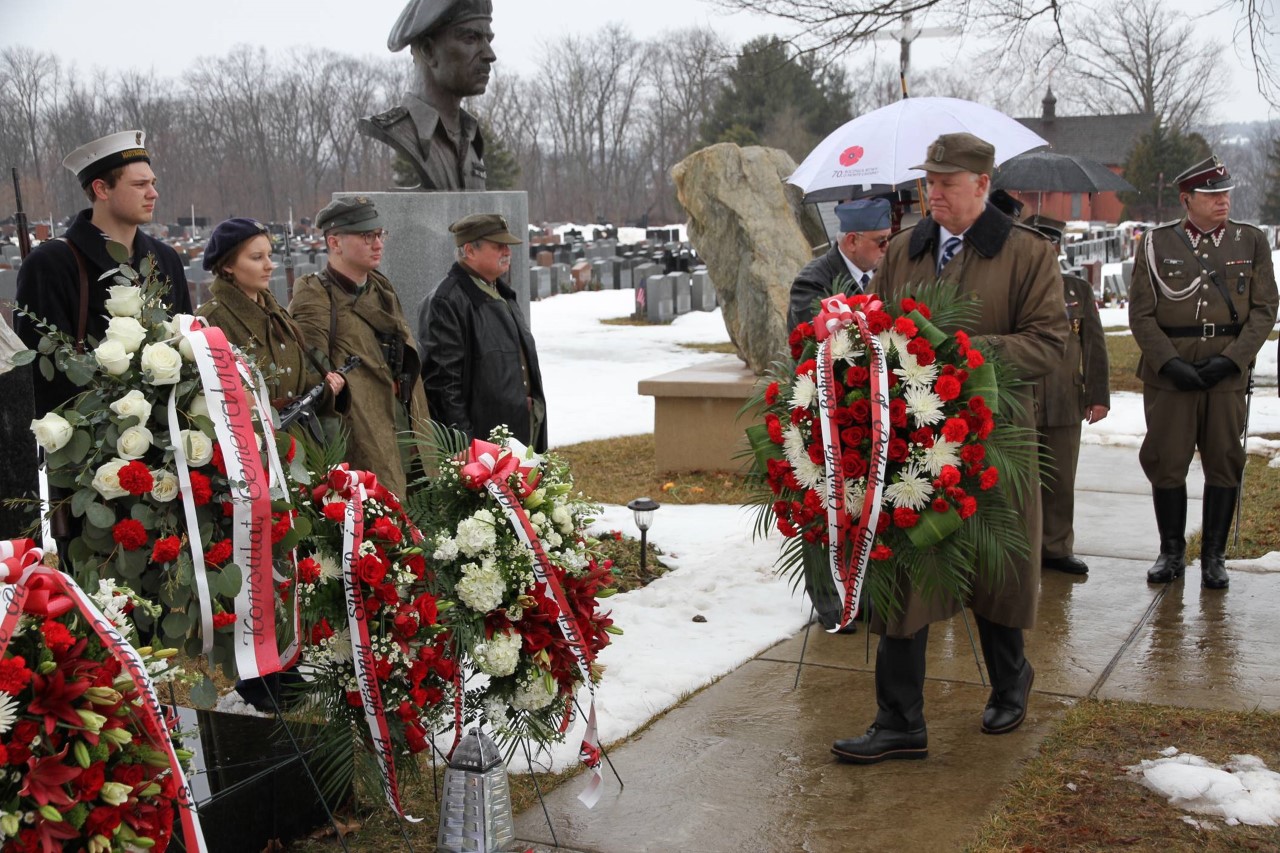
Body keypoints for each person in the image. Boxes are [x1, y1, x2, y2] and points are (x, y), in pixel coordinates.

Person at [832, 132, 1068, 765]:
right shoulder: (906, 250)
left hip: (994, 438)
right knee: (907, 571)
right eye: (928, 182)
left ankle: (1010, 678)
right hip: (914, 440)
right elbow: (877, 327)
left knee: (994, 571)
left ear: (982, 186)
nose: (932, 193)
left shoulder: (1027, 255)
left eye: (946, 183)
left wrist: (965, 357)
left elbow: (1049, 343)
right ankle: (900, 720)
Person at [1128, 155, 1278, 591]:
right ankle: (1171, 552)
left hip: (1225, 374)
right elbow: (1140, 313)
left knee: (1225, 460)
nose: (1223, 200)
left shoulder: (1248, 242)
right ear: (1187, 199)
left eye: (1226, 192)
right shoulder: (1158, 244)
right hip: (1169, 373)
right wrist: (1168, 362)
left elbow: (1265, 308)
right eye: (1212, 194)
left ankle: (1213, 557)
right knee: (1166, 461)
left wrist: (1233, 359)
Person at [15, 130, 191, 416]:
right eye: (139, 184)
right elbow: (43, 379)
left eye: (153, 183)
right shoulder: (51, 265)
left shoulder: (165, 259)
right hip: (90, 442)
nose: (153, 193)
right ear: (101, 189)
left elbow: (186, 346)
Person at [289, 198, 431, 499]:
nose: (377, 243)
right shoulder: (315, 295)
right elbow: (311, 376)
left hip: (409, 430)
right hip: (363, 439)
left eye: (380, 234)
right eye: (367, 236)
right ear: (334, 242)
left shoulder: (381, 288)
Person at [195, 218, 349, 435]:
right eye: (257, 257)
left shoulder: (275, 312)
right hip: (251, 452)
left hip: (294, 447)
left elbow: (296, 381)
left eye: (269, 255)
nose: (269, 265)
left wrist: (326, 388)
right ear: (228, 265)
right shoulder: (211, 321)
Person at [1024, 214, 1111, 576]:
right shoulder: (1017, 290)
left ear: (1058, 249)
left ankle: (1057, 548)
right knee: (1022, 482)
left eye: (1052, 244)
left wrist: (1098, 395)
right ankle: (1024, 551)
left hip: (1064, 398)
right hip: (1023, 398)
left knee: (1060, 479)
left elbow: (1095, 345)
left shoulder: (1076, 289)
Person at [419, 213, 547, 451]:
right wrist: (464, 446)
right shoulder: (447, 301)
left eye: (507, 246)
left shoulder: (502, 293)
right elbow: (444, 386)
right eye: (498, 246)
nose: (507, 251)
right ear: (470, 250)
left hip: (518, 431)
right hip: (482, 446)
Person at [359, 0, 495, 190]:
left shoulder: (471, 138)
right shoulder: (398, 132)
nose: (490, 54)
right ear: (428, 50)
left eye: (489, 40)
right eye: (471, 38)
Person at [787, 198, 892, 330]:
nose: (887, 247)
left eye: (890, 239)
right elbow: (814, 339)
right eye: (881, 241)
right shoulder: (811, 283)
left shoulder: (889, 271)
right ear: (852, 241)